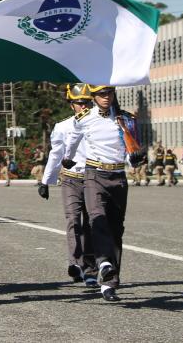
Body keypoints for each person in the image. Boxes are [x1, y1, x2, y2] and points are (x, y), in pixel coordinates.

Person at [64, 85, 141, 302]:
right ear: (93, 97)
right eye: (101, 94)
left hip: (118, 176)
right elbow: (73, 140)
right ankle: (104, 262)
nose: (106, 97)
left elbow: (131, 149)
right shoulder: (85, 118)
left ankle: (109, 283)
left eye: (109, 93)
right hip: (94, 174)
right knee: (97, 218)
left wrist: (134, 159)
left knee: (116, 229)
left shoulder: (126, 119)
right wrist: (68, 158)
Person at [37, 83, 98, 287]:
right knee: (73, 220)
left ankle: (90, 269)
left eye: (87, 102)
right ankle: (75, 263)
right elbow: (56, 154)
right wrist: (46, 180)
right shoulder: (62, 127)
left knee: (91, 224)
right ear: (72, 105)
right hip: (71, 179)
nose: (83, 106)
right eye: (79, 102)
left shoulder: (98, 124)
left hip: (92, 178)